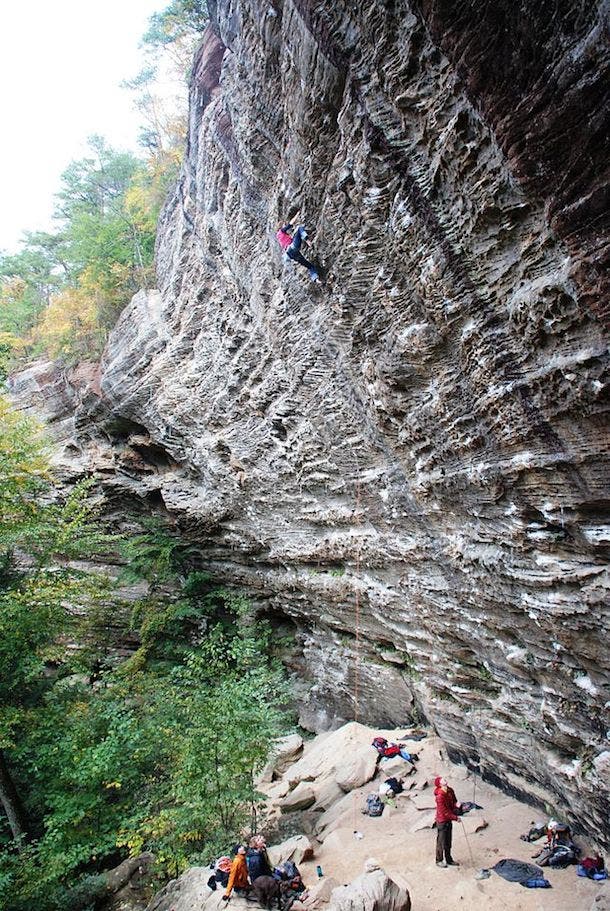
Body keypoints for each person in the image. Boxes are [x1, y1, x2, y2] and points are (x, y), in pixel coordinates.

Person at [434, 776, 460, 868]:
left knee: (448, 841)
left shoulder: (449, 790)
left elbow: (454, 801)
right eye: (442, 779)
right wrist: (455, 817)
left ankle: (449, 859)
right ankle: (439, 860)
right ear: (440, 784)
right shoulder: (440, 796)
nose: (444, 779)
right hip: (442, 821)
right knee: (441, 842)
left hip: (448, 819)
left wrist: (456, 806)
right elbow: (444, 812)